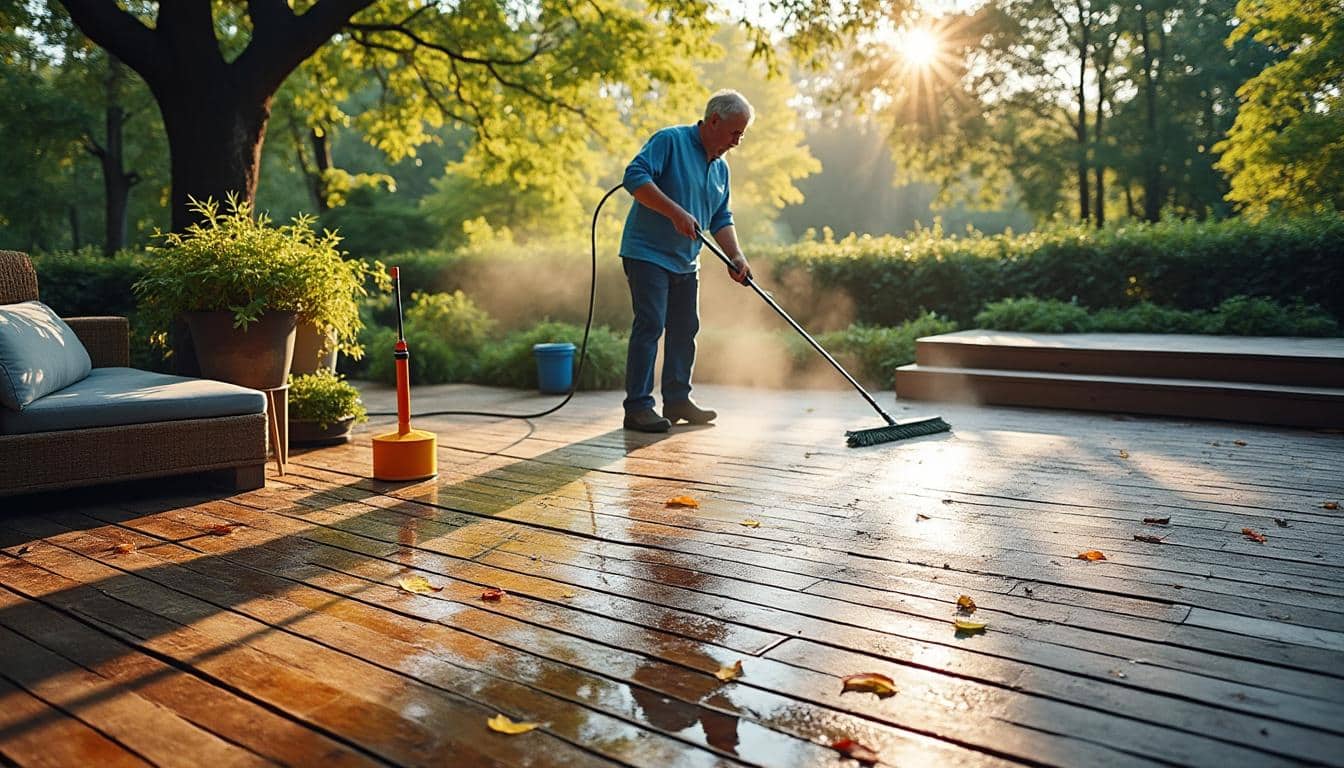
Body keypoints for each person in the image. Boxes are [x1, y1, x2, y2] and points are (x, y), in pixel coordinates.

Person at [619, 89, 755, 433]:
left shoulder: (721, 169)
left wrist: (735, 255)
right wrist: (674, 212)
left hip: (686, 261)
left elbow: (721, 217)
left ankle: (678, 400)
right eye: (735, 132)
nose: (737, 141)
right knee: (651, 324)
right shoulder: (670, 141)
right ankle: (638, 408)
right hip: (647, 253)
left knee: (685, 328)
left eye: (741, 135)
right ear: (714, 121)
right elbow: (634, 177)